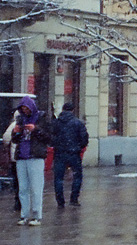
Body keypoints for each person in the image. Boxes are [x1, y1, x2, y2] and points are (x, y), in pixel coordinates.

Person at [11, 96, 51, 226]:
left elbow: (48, 137)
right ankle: (24, 215)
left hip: (36, 156)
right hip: (22, 157)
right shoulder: (20, 119)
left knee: (36, 187)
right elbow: (15, 140)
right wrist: (16, 132)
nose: (25, 111)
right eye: (23, 109)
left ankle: (36, 215)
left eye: (27, 108)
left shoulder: (42, 118)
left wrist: (36, 129)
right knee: (23, 188)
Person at [52, 102, 88, 208]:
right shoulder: (78, 123)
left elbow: (51, 136)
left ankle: (60, 201)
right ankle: (74, 199)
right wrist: (79, 147)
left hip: (59, 153)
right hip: (73, 153)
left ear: (63, 110)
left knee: (58, 178)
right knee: (77, 176)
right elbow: (84, 138)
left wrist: (57, 145)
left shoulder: (56, 122)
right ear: (73, 110)